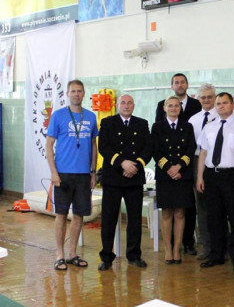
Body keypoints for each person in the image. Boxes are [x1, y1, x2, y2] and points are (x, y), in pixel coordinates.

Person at [46, 80, 98, 271]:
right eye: (73, 91)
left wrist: (93, 171)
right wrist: (54, 173)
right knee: (60, 214)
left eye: (79, 91)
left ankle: (72, 253)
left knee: (78, 215)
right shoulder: (58, 116)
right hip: (63, 174)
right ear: (68, 94)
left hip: (83, 174)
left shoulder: (91, 117)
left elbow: (94, 145)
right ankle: (59, 254)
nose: (76, 94)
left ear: (84, 93)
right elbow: (49, 145)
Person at [197, 93, 234, 272]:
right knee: (214, 218)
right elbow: (203, 153)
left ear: (232, 104)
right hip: (211, 176)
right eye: (218, 103)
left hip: (232, 176)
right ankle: (217, 255)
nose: (221, 106)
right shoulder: (209, 127)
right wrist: (200, 176)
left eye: (225, 103)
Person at [97, 94, 152, 271]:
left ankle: (134, 255)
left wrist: (135, 166)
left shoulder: (142, 123)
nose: (126, 106)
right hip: (113, 177)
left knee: (135, 219)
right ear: (117, 105)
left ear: (134, 106)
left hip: (134, 177)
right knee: (109, 218)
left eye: (130, 103)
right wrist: (122, 163)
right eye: (123, 103)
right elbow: (103, 147)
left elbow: (148, 148)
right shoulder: (107, 123)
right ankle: (106, 257)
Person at [155, 73, 201, 256]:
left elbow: (191, 149)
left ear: (181, 108)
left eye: (177, 105)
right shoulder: (157, 127)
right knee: (167, 213)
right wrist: (169, 169)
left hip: (183, 175)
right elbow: (156, 151)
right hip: (165, 176)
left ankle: (177, 248)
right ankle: (168, 249)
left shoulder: (187, 126)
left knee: (181, 213)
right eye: (170, 105)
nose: (174, 108)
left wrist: (179, 167)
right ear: (165, 108)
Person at [188, 83, 217, 260]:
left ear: (214, 97)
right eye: (203, 97)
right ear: (198, 99)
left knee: (219, 205)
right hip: (197, 162)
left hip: (218, 163)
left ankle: (220, 244)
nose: (206, 100)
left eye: (209, 97)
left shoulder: (224, 115)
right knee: (202, 205)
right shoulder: (193, 120)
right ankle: (206, 245)